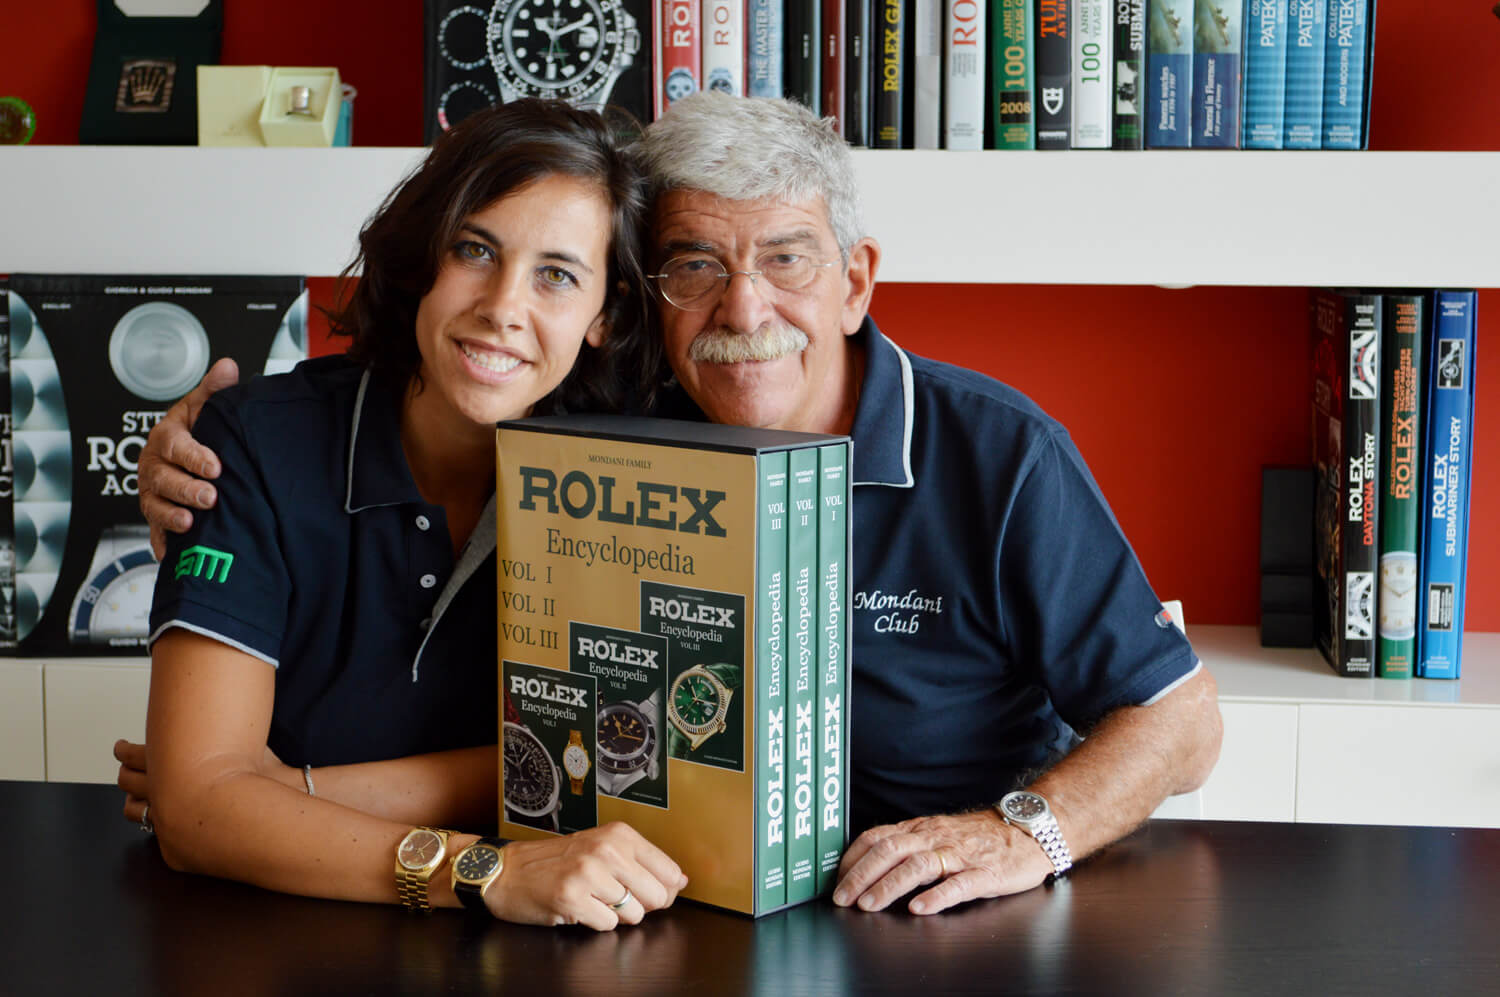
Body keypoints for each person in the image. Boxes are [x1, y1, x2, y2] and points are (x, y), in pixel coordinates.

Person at [130, 93, 1222, 918]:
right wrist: (200, 454)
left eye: (787, 259)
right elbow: (580, 741)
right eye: (695, 265)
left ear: (855, 280)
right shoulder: (629, 424)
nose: (744, 308)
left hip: (930, 917)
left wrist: (1022, 836)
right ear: (646, 307)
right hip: (653, 903)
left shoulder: (999, 452)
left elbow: (1181, 717)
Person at [123, 98, 685, 931]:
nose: (502, 305)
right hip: (281, 937)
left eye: (557, 275)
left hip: (572, 932)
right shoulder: (254, 443)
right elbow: (199, 812)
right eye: (475, 249)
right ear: (425, 255)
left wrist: (295, 791)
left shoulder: (644, 471)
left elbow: (629, 764)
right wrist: (485, 867)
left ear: (605, 315)